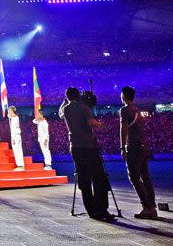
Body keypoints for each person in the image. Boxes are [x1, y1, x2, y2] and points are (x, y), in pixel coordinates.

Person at [59, 87, 114, 222]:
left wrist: (65, 101)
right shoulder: (84, 108)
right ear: (78, 96)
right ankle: (101, 209)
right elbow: (92, 124)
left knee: (84, 179)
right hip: (88, 146)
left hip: (75, 147)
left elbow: (60, 112)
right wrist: (103, 125)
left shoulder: (66, 109)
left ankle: (91, 210)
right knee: (99, 178)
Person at [119, 86, 158, 219]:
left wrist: (122, 147)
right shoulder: (136, 109)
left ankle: (146, 207)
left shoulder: (124, 110)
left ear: (123, 96)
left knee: (134, 178)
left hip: (133, 147)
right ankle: (152, 206)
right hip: (143, 146)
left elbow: (123, 129)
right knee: (145, 177)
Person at [8, 106, 25, 171]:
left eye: (9, 110)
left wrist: (14, 138)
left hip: (15, 136)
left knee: (17, 151)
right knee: (19, 151)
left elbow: (14, 129)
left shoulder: (14, 118)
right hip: (17, 136)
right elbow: (9, 116)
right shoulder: (14, 117)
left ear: (12, 110)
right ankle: (21, 165)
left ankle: (20, 166)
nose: (8, 111)